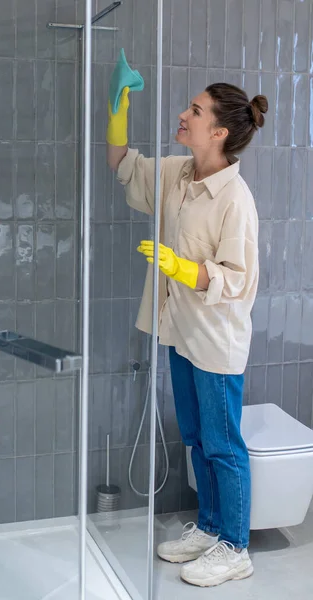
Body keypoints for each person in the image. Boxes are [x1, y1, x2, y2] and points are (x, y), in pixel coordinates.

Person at [106, 81, 268, 588]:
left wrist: (181, 266)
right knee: (196, 438)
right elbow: (124, 165)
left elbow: (239, 281)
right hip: (179, 330)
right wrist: (117, 111)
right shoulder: (179, 174)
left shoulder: (234, 199)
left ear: (218, 131)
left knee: (223, 445)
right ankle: (213, 529)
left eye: (193, 111)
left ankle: (235, 548)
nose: (182, 114)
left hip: (215, 340)